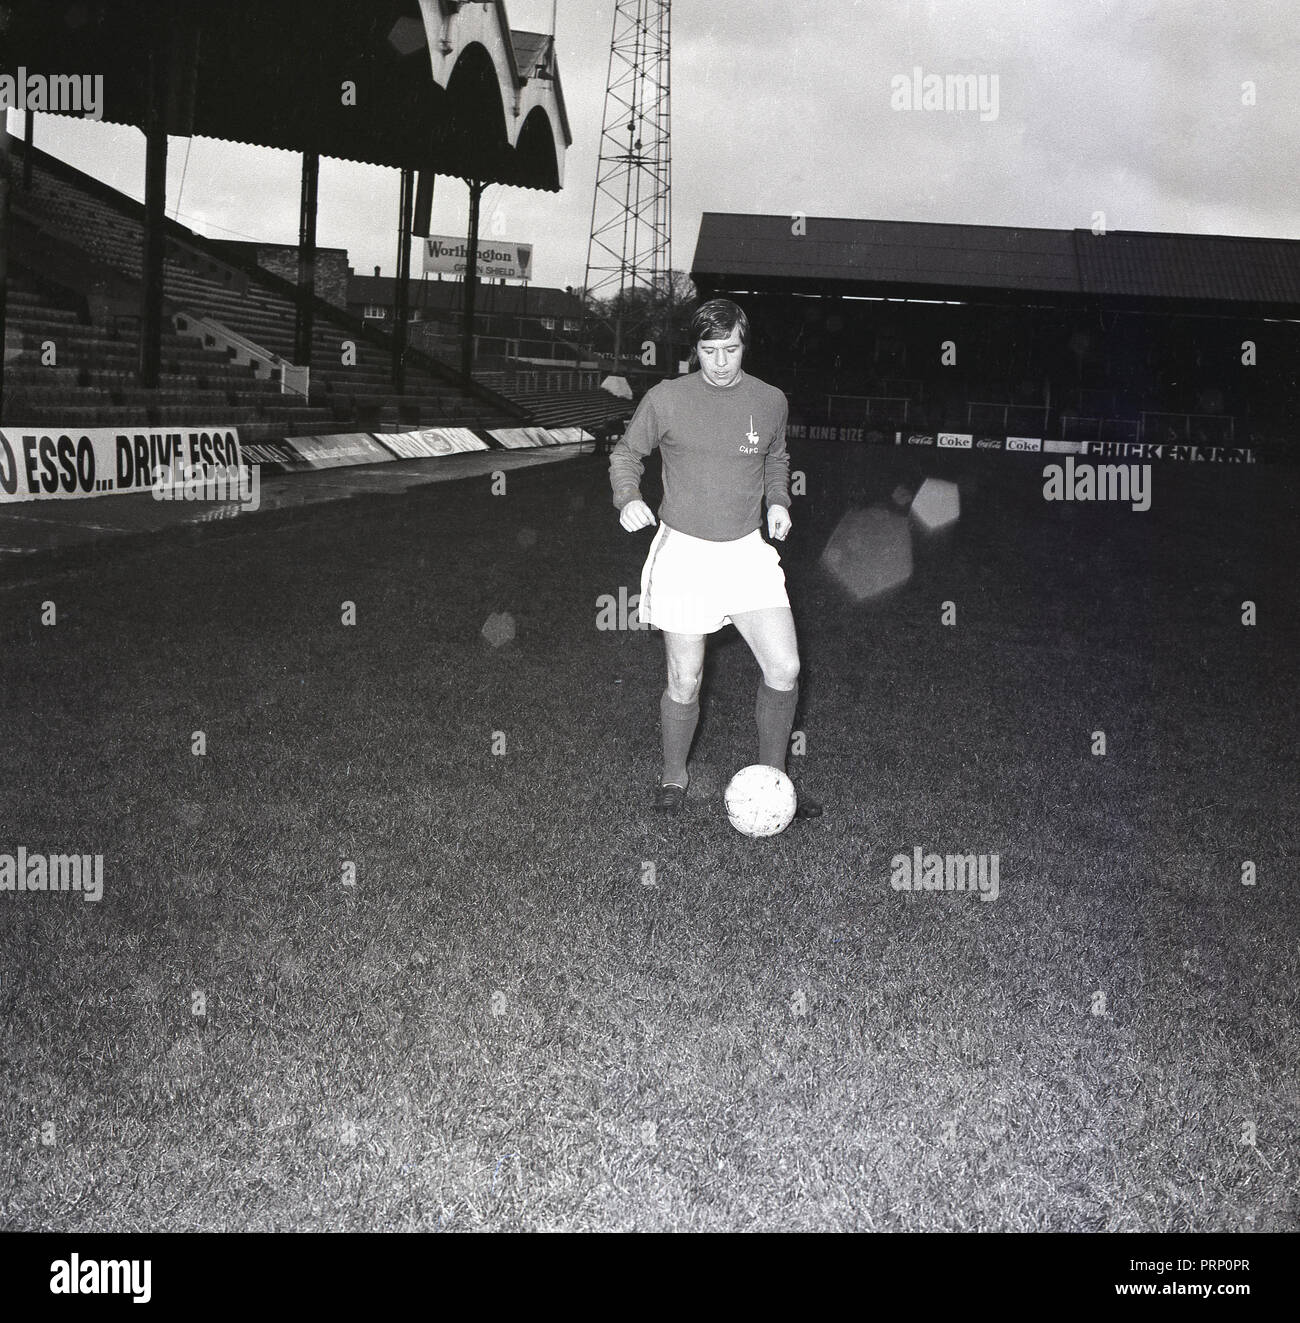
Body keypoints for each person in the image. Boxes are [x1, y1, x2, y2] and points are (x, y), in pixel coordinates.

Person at [609, 297, 821, 818]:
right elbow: (626, 454)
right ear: (695, 350)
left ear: (744, 345)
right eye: (709, 350)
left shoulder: (770, 400)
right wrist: (629, 497)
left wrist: (778, 502)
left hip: (747, 553)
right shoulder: (666, 397)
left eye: (730, 349)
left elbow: (776, 458)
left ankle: (773, 780)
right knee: (685, 679)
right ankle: (673, 777)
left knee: (785, 666)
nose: (721, 362)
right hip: (684, 553)